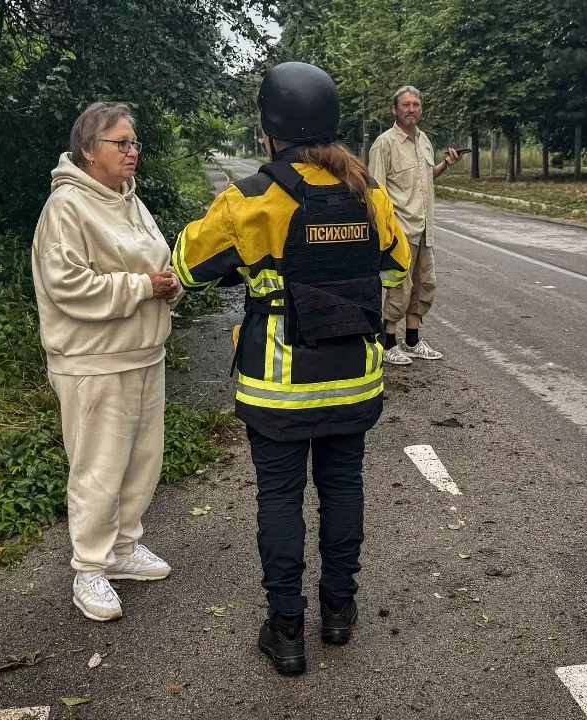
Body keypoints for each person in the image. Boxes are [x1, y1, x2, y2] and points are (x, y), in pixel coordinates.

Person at [172, 62, 411, 675]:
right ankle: (339, 613)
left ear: (270, 128)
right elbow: (395, 268)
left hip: (279, 386)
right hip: (354, 378)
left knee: (280, 499)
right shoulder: (367, 193)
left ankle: (286, 631)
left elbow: (189, 265)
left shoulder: (250, 197)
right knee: (343, 489)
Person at [31, 102, 183, 622]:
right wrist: (142, 287)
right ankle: (90, 568)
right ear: (88, 150)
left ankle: (122, 548)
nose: (132, 151)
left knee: (141, 461)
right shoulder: (66, 207)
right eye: (120, 142)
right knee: (98, 469)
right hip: (93, 360)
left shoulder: (130, 201)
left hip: (144, 352)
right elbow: (67, 285)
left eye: (134, 142)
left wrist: (170, 286)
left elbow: (158, 263)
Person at [368, 85, 461, 366]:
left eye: (416, 105)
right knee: (401, 286)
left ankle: (411, 340)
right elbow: (375, 190)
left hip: (424, 227)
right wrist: (383, 231)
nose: (411, 109)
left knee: (424, 284)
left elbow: (426, 176)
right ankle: (387, 343)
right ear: (395, 110)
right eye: (405, 105)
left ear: (421, 109)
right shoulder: (384, 144)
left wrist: (446, 164)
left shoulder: (424, 141)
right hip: (401, 229)